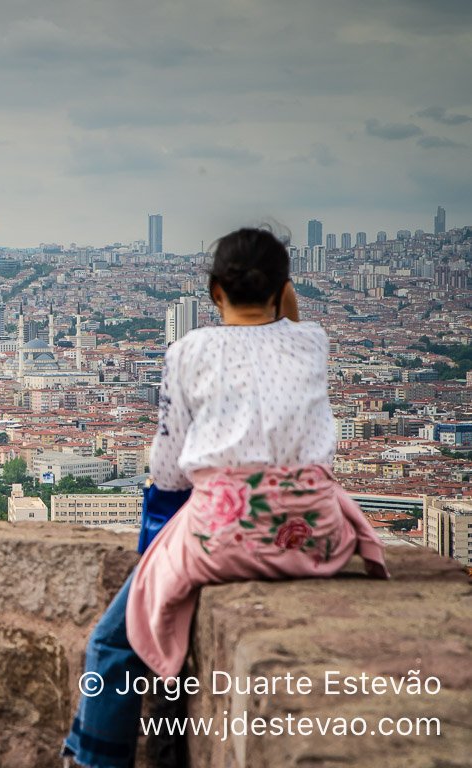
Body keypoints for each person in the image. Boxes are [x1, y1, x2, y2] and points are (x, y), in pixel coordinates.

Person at [62, 227, 388, 767]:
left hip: (227, 533)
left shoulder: (192, 349)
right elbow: (291, 334)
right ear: (284, 290)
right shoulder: (314, 340)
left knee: (113, 643)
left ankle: (95, 761)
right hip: (319, 535)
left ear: (215, 292)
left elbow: (167, 469)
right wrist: (287, 302)